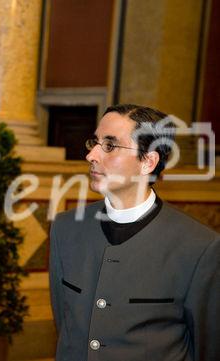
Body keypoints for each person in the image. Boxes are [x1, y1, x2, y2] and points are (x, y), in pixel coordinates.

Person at [49, 104, 220, 361]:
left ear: (148, 162)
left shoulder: (199, 247)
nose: (91, 155)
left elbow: (208, 348)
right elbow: (65, 325)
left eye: (109, 145)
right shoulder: (65, 228)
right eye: (94, 142)